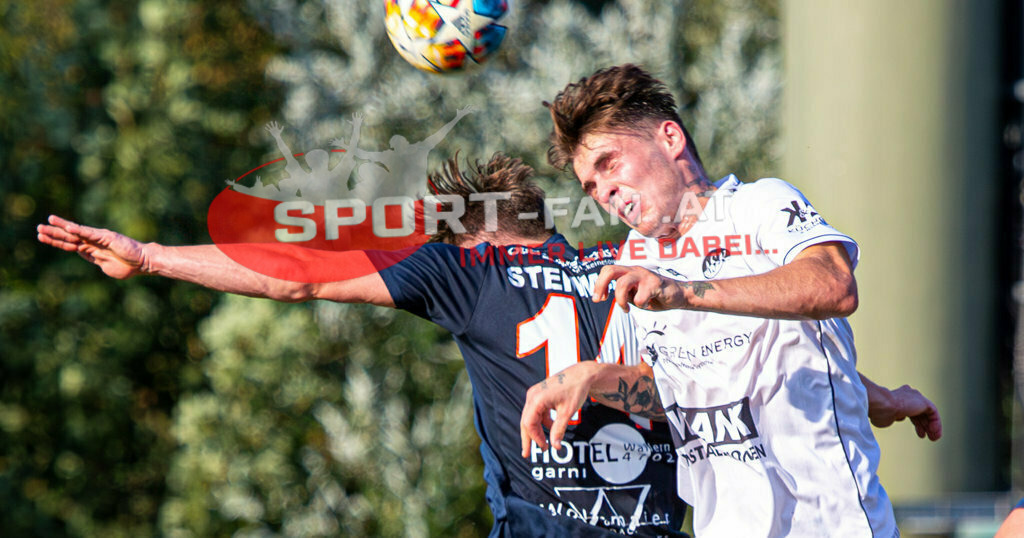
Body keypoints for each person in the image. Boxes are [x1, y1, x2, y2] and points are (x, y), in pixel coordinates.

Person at [40, 150, 936, 537]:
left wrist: (149, 255)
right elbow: (737, 360)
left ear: (468, 232)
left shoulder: (467, 271)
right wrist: (880, 397)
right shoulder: (624, 268)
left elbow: (295, 275)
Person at [521, 63, 934, 537]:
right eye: (591, 187)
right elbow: (679, 388)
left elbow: (833, 286)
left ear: (670, 139)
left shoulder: (756, 206)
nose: (605, 192)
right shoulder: (637, 257)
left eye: (609, 163)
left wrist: (684, 292)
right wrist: (593, 377)